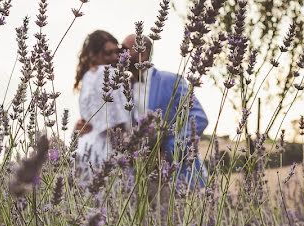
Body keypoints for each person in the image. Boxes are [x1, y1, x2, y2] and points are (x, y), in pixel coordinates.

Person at [76, 33, 209, 188]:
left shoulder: (171, 81)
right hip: (139, 176)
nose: (120, 55)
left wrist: (169, 150)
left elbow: (198, 118)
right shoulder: (121, 87)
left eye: (124, 50)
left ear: (142, 53)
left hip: (179, 173)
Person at [73, 30, 129, 184]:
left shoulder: (87, 76)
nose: (114, 57)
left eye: (116, 52)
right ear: (94, 54)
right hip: (107, 149)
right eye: (107, 53)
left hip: (85, 148)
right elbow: (116, 124)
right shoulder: (109, 74)